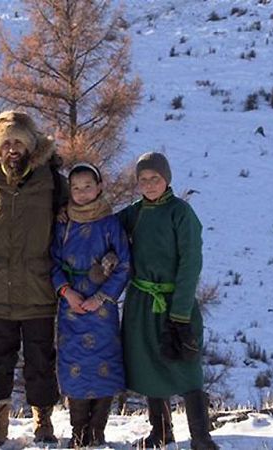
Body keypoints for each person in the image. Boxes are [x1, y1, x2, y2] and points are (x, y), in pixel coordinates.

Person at [0, 110, 67, 446]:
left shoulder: (52, 178)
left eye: (18, 141)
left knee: (40, 360)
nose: (12, 149)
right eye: (5, 143)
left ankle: (43, 422)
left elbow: (70, 223)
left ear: (31, 143)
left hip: (38, 288)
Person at [118, 152, 219, 450]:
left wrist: (180, 313)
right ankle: (161, 432)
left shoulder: (181, 213)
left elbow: (191, 263)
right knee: (148, 364)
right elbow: (104, 229)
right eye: (143, 180)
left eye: (155, 179)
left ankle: (201, 437)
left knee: (185, 366)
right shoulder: (133, 214)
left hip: (176, 302)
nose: (149, 185)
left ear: (167, 180)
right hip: (141, 303)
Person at [51, 162, 131, 447]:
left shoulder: (110, 224)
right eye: (76, 188)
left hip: (102, 308)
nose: (82, 193)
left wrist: (100, 297)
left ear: (99, 187)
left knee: (104, 364)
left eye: (88, 186)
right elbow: (53, 262)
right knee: (74, 364)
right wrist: (66, 292)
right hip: (71, 306)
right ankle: (78, 431)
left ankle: (97, 430)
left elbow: (123, 265)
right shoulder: (63, 224)